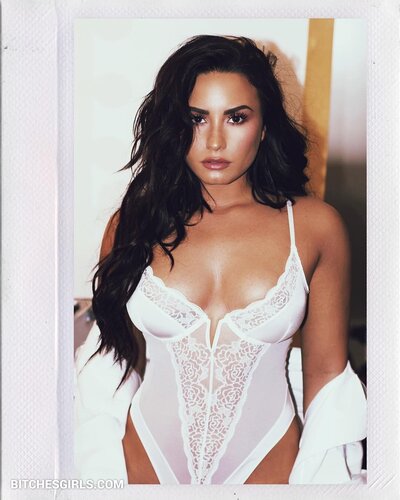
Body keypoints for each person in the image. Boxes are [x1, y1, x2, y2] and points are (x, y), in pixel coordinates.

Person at [74, 35, 366, 485]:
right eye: (197, 118)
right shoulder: (133, 224)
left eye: (236, 117)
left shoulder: (313, 227)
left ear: (264, 127)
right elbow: (112, 358)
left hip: (268, 469)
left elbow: (326, 375)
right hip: (143, 466)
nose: (214, 140)